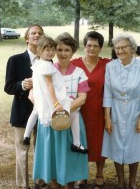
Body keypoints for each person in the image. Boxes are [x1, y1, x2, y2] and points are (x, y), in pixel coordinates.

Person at [32, 34, 89, 188]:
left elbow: (82, 98)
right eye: (59, 49)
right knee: (52, 157)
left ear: (73, 52)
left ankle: (69, 186)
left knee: (69, 158)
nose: (63, 53)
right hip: (50, 122)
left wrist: (62, 112)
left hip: (70, 120)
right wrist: (47, 110)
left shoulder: (79, 73)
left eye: (67, 50)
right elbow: (33, 94)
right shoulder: (45, 68)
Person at [101, 33, 140, 189]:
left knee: (133, 145)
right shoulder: (110, 66)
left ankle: (133, 181)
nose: (120, 51)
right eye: (117, 48)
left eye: (123, 47)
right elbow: (107, 93)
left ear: (132, 49)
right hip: (116, 110)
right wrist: (107, 118)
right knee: (117, 145)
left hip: (135, 110)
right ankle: (121, 181)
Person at [4, 24, 44, 189]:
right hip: (21, 112)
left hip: (42, 112)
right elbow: (8, 87)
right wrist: (22, 85)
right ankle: (22, 185)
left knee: (41, 148)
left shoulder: (47, 60)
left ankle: (41, 181)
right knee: (22, 149)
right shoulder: (15, 60)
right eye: (33, 33)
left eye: (40, 33)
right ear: (27, 38)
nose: (36, 35)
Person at [72, 31, 110, 188]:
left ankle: (100, 174)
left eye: (96, 46)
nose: (92, 48)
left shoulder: (108, 64)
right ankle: (82, 174)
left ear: (100, 48)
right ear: (84, 46)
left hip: (100, 110)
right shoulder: (75, 64)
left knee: (100, 142)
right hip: (80, 110)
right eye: (89, 45)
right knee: (81, 141)